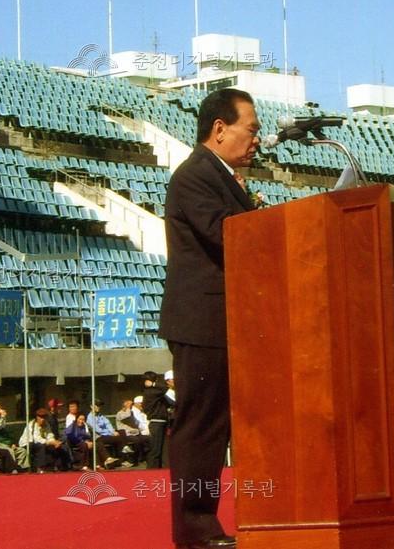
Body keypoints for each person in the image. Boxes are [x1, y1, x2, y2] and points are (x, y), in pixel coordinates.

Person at [159, 87, 260, 549]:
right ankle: (195, 531)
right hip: (203, 322)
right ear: (220, 129)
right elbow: (228, 236)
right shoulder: (195, 175)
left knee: (218, 425)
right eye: (251, 129)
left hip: (230, 321)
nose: (257, 140)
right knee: (202, 427)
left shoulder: (222, 177)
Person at [19, 408, 69, 473]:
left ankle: (56, 466)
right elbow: (37, 439)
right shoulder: (31, 425)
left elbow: (49, 435)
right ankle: (40, 467)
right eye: (41, 417)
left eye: (44, 417)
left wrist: (54, 441)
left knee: (57, 446)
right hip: (27, 443)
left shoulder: (46, 424)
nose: (43, 419)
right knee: (41, 446)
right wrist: (50, 442)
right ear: (37, 417)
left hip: (40, 442)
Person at [0, 402, 29, 471]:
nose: (0, 410)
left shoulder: (0, 419)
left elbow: (5, 433)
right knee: (9, 451)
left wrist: (12, 443)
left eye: (0, 408)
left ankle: (22, 469)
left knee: (22, 451)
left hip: (7, 443)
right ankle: (13, 469)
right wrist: (3, 416)